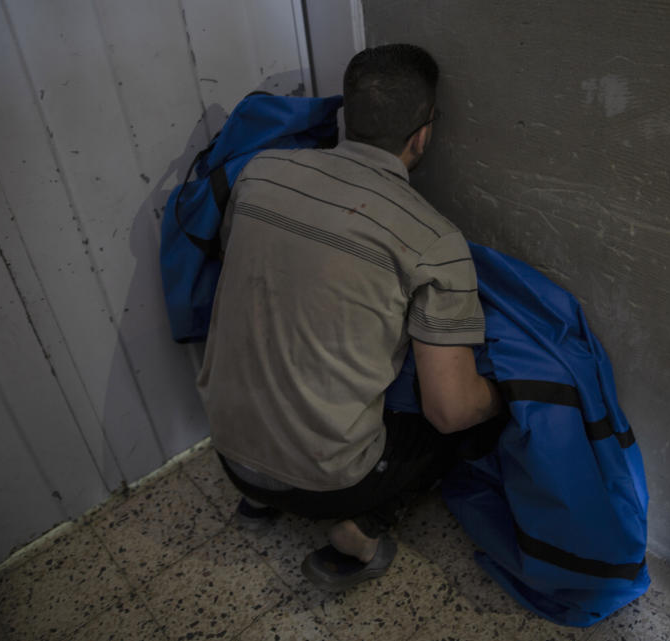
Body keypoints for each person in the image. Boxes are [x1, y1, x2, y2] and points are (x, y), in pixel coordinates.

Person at [196, 44, 502, 590]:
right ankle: (360, 532)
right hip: (325, 484)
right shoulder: (433, 239)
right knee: (458, 417)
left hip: (227, 451)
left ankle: (257, 498)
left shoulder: (259, 173)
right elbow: (450, 411)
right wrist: (503, 396)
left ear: (345, 115)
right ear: (423, 133)